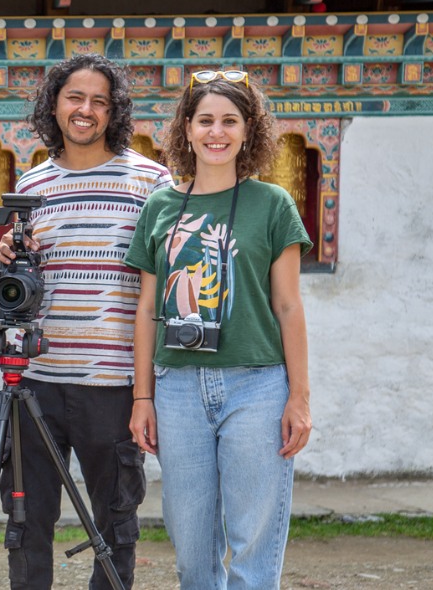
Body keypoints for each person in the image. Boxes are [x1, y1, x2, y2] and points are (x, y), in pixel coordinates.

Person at [125, 70, 312, 589]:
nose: (217, 132)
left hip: (256, 384)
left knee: (253, 548)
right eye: (205, 119)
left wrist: (299, 396)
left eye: (230, 121)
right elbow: (145, 309)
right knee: (192, 552)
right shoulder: (160, 207)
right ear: (186, 129)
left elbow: (288, 306)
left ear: (249, 131)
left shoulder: (274, 204)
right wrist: (143, 397)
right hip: (179, 388)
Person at [0, 53, 172, 590]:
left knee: (116, 522)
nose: (86, 110)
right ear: (55, 104)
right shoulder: (33, 184)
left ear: (115, 110)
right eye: (75, 97)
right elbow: (27, 273)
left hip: (113, 383)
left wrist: (146, 391)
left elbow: (163, 285)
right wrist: (8, 251)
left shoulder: (153, 182)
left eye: (100, 100)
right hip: (37, 379)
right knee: (26, 523)